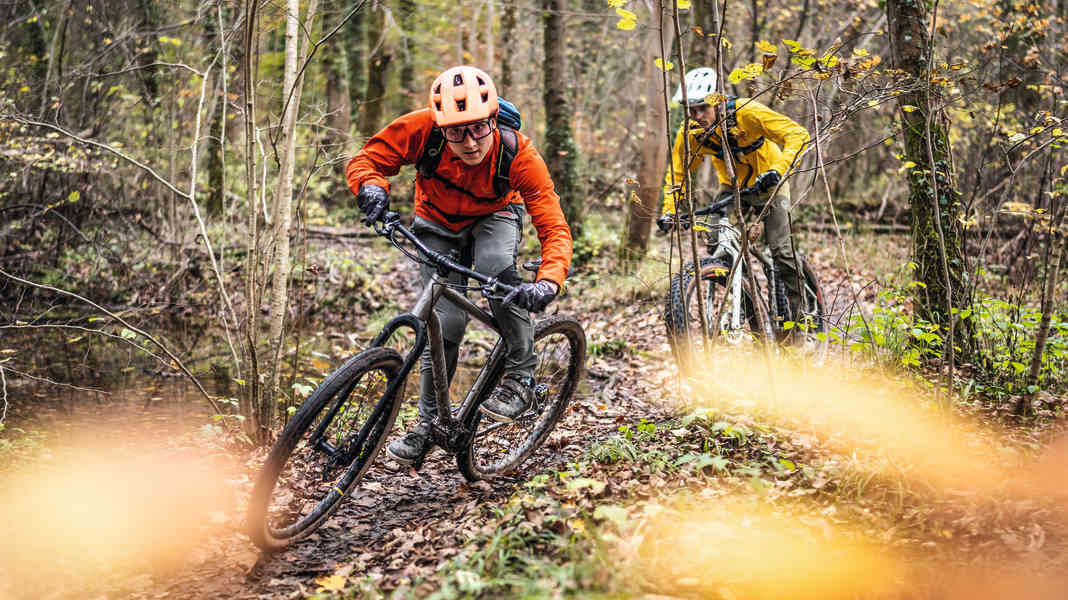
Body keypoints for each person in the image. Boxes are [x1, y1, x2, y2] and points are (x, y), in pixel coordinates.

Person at [345, 66, 573, 466]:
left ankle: (520, 376)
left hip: (496, 216)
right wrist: (370, 187)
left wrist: (547, 282)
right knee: (443, 323)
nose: (469, 142)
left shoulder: (518, 152)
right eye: (456, 131)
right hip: (436, 221)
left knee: (497, 270)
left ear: (492, 120)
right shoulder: (420, 130)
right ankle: (427, 427)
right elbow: (368, 160)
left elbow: (553, 224)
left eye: (478, 129)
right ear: (440, 125)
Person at [657, 67, 810, 317]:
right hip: (732, 187)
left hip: (769, 181)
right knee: (717, 243)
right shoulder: (691, 133)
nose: (697, 116)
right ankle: (749, 295)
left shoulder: (747, 113)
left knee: (781, 251)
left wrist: (778, 169)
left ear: (717, 100)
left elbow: (798, 134)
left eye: (702, 108)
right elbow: (677, 174)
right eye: (690, 109)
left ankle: (801, 318)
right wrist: (670, 211)